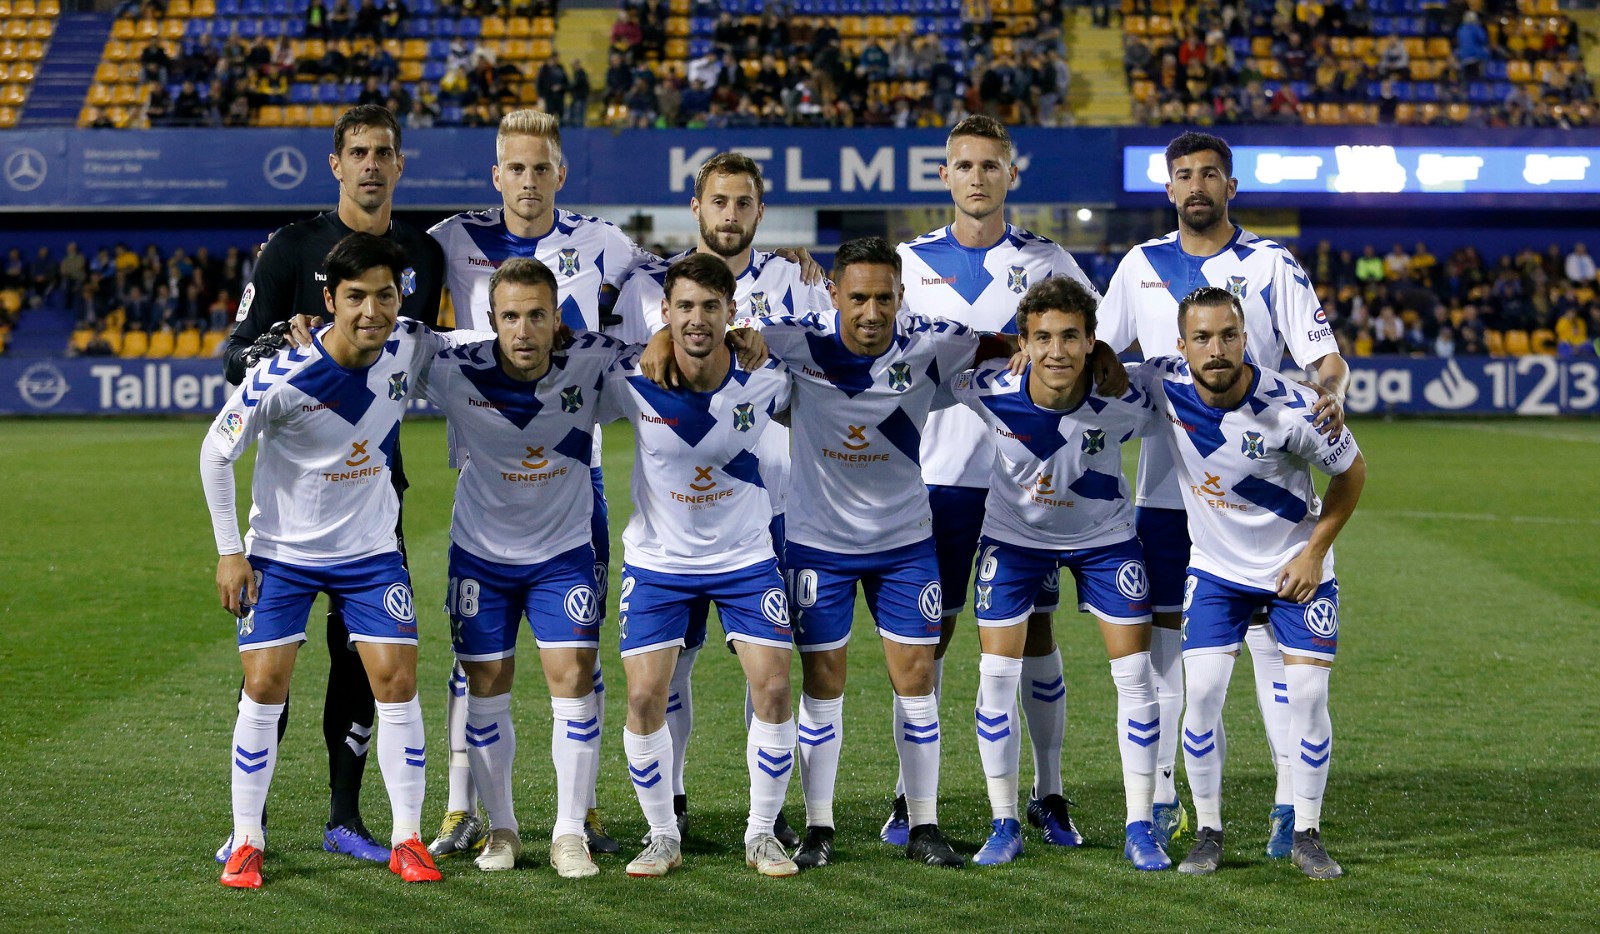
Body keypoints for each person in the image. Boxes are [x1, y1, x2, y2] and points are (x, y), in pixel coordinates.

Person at [655, 237, 979, 870]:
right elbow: (721, 331)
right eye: (857, 297)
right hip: (817, 545)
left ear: (900, 297)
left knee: (916, 681)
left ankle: (924, 823)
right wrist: (661, 340)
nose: (871, 311)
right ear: (833, 294)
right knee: (823, 684)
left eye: (884, 297)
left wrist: (1096, 354)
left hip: (907, 543)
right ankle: (819, 827)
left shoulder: (934, 344)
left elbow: (1004, 343)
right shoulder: (797, 340)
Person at [1097, 131, 1347, 858]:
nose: (1198, 184)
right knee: (1175, 658)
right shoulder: (1140, 265)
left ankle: (1285, 807)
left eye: (1211, 173)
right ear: (1168, 189)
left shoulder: (1271, 264)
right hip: (1167, 497)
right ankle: (1175, 801)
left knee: (1279, 660)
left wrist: (1327, 395)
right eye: (1184, 175)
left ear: (1230, 187)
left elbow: (1323, 358)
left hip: (1264, 500)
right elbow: (1105, 356)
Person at [215, 105, 444, 867]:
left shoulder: (421, 252)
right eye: (359, 153)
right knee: (268, 669)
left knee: (367, 661)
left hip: (375, 488)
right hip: (292, 496)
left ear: (400, 165)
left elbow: (428, 350)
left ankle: (347, 816)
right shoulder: (289, 248)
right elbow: (235, 356)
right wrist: (282, 349)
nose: (373, 164)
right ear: (336, 163)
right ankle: (251, 824)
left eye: (386, 151)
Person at [427, 108, 656, 858]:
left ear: (561, 172)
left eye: (541, 167)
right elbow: (385, 281)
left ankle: (577, 811)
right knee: (478, 664)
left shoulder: (605, 242)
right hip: (486, 457)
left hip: (571, 471)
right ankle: (467, 807)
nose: (528, 181)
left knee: (575, 657)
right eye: (515, 168)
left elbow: (666, 287)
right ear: (496, 176)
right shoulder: (450, 241)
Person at [891, 114, 1099, 852]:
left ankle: (1050, 792)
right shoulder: (909, 264)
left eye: (990, 164)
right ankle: (912, 797)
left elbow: (1092, 355)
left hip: (1029, 484)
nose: (977, 176)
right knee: (930, 634)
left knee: (1036, 632)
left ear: (1012, 174)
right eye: (964, 165)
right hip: (937, 478)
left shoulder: (1051, 263)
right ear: (943, 176)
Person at [613, 152, 825, 848]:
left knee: (773, 675)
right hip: (672, 529)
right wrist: (655, 333)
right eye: (718, 201)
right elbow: (603, 363)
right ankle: (667, 807)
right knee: (669, 672)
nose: (730, 214)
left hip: (766, 516)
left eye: (743, 202)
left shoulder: (797, 277)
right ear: (697, 207)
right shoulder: (647, 283)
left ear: (760, 211)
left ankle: (774, 815)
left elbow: (828, 363)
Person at [1126, 286, 1365, 880]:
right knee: (1201, 696)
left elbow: (1352, 473)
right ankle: (1208, 830)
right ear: (1181, 346)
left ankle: (1306, 831)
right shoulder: (1163, 382)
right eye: (1202, 338)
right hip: (1217, 572)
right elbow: (1097, 369)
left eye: (1228, 335)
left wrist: (1314, 553)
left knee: (1308, 698)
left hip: (1295, 568)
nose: (1216, 349)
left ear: (1246, 338)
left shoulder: (1295, 406)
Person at [413, 257, 626, 877]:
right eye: (511, 316)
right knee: (485, 690)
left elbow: (665, 356)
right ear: (491, 320)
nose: (525, 329)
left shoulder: (591, 362)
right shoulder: (455, 370)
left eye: (537, 315)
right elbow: (381, 345)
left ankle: (568, 832)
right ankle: (501, 829)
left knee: (573, 680)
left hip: (561, 556)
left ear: (555, 318)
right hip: (481, 556)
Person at [953, 275, 1172, 870]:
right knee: (996, 674)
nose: (1057, 351)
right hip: (1014, 540)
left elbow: (1186, 375)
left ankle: (1139, 825)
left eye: (1072, 337)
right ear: (1023, 341)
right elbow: (938, 356)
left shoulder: (1127, 398)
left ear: (1092, 340)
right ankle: (1003, 822)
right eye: (1043, 337)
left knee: (1136, 679)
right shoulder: (990, 388)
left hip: (1105, 541)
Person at [596, 253, 799, 879]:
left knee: (772, 688)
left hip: (744, 556)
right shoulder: (632, 377)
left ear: (731, 312)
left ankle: (762, 834)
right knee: (643, 696)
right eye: (683, 307)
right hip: (660, 561)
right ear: (666, 312)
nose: (696, 318)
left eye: (710, 306)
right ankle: (662, 835)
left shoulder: (767, 377)